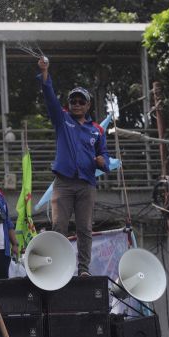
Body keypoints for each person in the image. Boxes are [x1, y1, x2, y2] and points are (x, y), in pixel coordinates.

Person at [37, 57, 110, 277]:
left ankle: (84, 270)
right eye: (74, 101)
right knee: (59, 226)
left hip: (86, 184)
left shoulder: (97, 130)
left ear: (88, 105)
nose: (77, 104)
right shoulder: (62, 120)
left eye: (81, 101)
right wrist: (45, 72)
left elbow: (104, 155)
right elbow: (49, 97)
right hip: (64, 183)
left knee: (85, 228)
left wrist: (102, 162)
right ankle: (58, 267)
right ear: (69, 105)